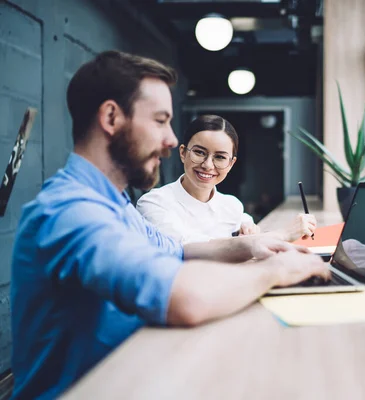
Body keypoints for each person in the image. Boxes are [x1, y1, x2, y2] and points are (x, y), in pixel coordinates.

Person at [9, 50, 329, 400]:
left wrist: (251, 245)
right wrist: (278, 270)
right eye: (161, 121)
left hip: (133, 376)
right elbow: (185, 298)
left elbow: (178, 252)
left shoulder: (117, 205)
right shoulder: (71, 212)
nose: (172, 139)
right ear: (112, 117)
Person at [136, 114, 316, 244]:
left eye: (220, 157)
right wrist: (282, 234)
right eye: (199, 152)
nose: (207, 165)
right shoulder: (153, 203)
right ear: (183, 153)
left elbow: (241, 217)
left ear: (231, 163)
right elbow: (187, 248)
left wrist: (247, 225)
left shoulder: (232, 206)